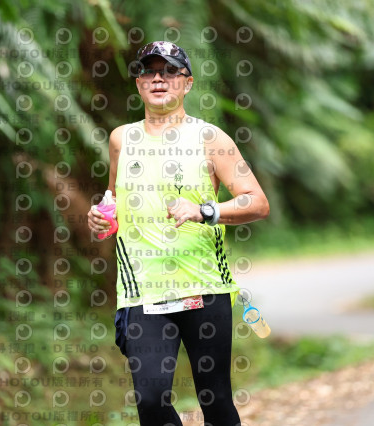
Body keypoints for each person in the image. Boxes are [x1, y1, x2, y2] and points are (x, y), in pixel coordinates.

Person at [87, 41, 269, 426]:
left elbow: (256, 202)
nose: (158, 78)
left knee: (216, 401)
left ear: (187, 83)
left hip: (204, 287)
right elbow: (114, 202)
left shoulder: (211, 139)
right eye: (149, 71)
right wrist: (103, 220)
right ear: (138, 83)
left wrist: (205, 211)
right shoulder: (121, 139)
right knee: (151, 401)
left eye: (170, 71)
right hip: (143, 291)